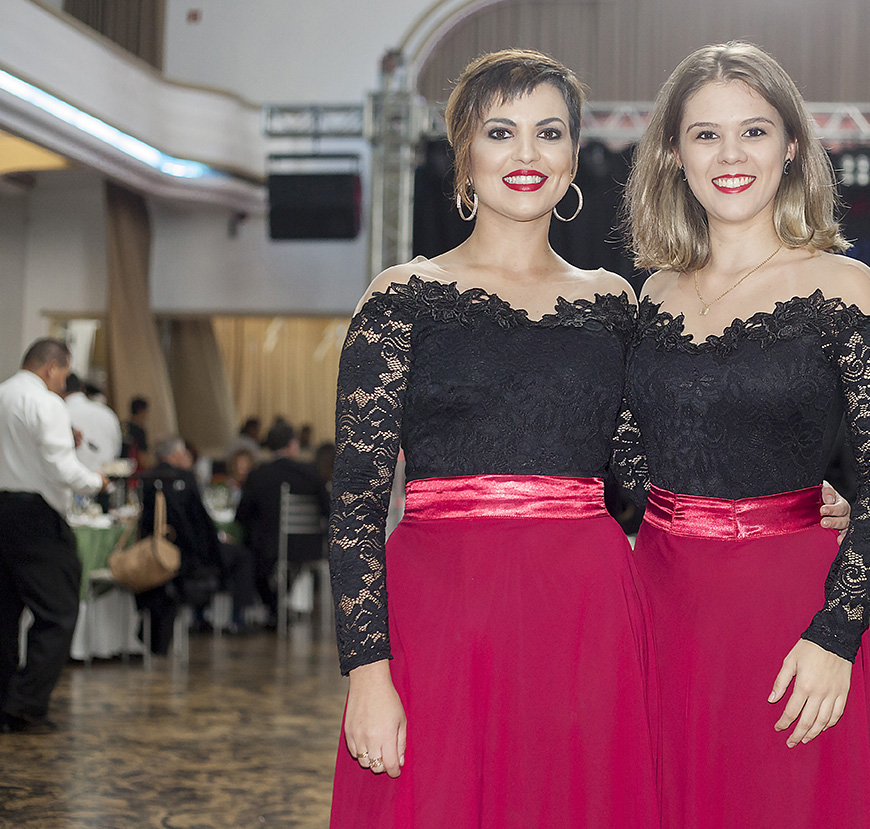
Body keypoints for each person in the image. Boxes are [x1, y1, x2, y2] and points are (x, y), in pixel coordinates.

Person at [326, 49, 667, 828]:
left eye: (549, 132)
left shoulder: (614, 303)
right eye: (500, 131)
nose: (526, 154)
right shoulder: (400, 298)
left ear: (573, 156)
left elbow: (650, 473)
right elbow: (355, 505)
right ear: (464, 154)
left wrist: (781, 496)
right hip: (439, 616)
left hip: (586, 616)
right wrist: (368, 671)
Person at [620, 42, 870, 827]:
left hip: (791, 611)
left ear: (790, 146)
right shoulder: (652, 295)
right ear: (674, 154)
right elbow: (627, 460)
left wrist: (836, 634)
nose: (731, 155)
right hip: (660, 599)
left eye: (753, 130)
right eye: (706, 134)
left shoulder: (846, 286)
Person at [0, 339, 108, 733]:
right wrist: (96, 481)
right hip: (36, 517)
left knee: (4, 613)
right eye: (64, 373)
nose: (64, 382)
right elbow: (61, 469)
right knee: (59, 612)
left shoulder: (3, 394)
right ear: (51, 368)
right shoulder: (46, 403)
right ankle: (25, 704)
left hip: (2, 510)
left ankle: (3, 699)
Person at [134, 437, 228, 653]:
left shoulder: (146, 478)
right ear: (175, 455)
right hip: (184, 558)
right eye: (184, 454)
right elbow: (201, 523)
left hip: (151, 554)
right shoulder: (186, 478)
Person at [235, 421, 327, 625]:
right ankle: (278, 609)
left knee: (249, 556)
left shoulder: (258, 475)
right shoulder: (311, 475)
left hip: (268, 549)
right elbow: (327, 510)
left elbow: (241, 516)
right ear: (292, 445)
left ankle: (273, 608)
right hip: (307, 547)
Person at [64, 373, 123, 476]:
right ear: (82, 388)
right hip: (107, 480)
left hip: (74, 481)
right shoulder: (107, 413)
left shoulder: (62, 414)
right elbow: (116, 449)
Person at [121, 396, 152, 471]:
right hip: (135, 470)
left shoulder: (122, 427)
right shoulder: (139, 431)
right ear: (141, 411)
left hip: (121, 468)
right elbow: (142, 458)